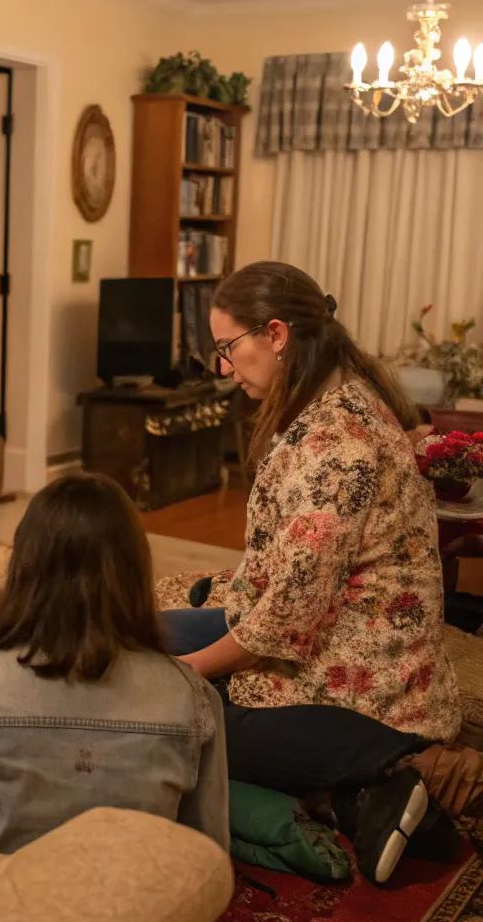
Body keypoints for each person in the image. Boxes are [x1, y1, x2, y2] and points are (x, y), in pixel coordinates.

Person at [162, 260, 470, 884]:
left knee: (171, 711)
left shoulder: (339, 446)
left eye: (228, 348)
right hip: (320, 627)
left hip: (363, 672)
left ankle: (394, 769)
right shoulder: (331, 395)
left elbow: (284, 624)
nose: (222, 367)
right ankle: (352, 801)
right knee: (144, 637)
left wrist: (178, 676)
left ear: (275, 335)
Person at [0, 473, 230, 867]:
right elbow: (207, 856)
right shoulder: (193, 696)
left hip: (3, 904)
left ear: (25, 568)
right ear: (135, 573)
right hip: (138, 913)